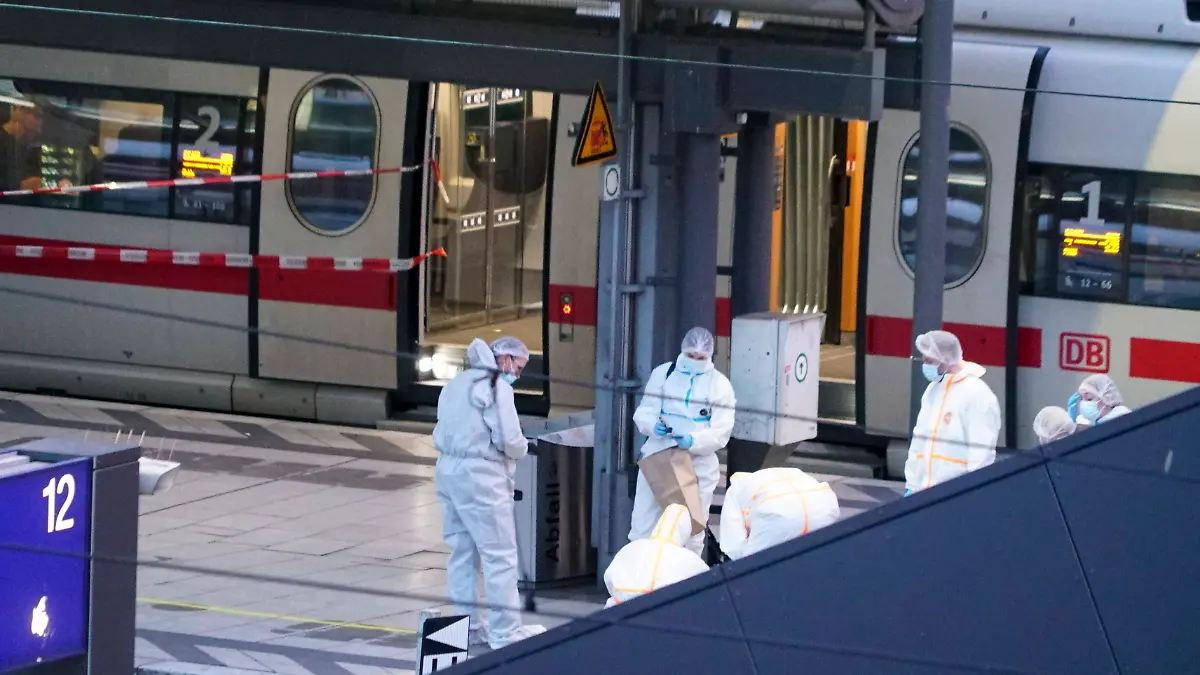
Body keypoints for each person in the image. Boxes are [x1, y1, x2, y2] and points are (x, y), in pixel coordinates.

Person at [432, 336, 545, 650]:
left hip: (447, 470)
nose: (517, 374)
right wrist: (522, 449)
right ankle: (504, 632)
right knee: (500, 557)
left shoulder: (456, 383)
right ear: (505, 358)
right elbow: (508, 438)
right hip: (480, 476)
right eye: (518, 366)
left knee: (462, 553)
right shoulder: (497, 387)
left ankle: (466, 627)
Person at [630, 326, 736, 555]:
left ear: (710, 356)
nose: (694, 361)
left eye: (701, 357)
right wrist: (653, 426)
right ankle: (640, 571)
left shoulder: (719, 385)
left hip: (698, 463)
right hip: (659, 456)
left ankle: (686, 573)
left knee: (693, 532)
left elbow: (721, 431)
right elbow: (644, 411)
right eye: (690, 355)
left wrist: (693, 440)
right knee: (643, 525)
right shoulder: (663, 374)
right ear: (682, 350)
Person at [905, 330, 1002, 496]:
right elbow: (919, 440)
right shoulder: (933, 390)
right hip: (923, 492)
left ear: (946, 359)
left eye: (930, 360)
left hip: (956, 494)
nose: (925, 365)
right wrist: (912, 485)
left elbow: (981, 452)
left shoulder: (976, 393)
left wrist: (973, 492)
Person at [718, 467, 840, 560]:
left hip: (775, 511)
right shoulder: (791, 473)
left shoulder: (735, 491)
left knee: (752, 568)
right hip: (824, 505)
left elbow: (734, 547)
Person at [603, 504, 709, 608]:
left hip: (621, 609)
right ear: (685, 532)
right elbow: (705, 584)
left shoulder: (633, 547)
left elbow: (610, 576)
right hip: (662, 610)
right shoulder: (689, 559)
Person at [0, 103, 45, 192]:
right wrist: (19, 186)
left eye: (34, 133)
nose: (30, 137)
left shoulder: (24, 148)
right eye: (27, 130)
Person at [1067, 374, 1133, 428]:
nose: (1083, 403)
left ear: (1106, 398)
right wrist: (1072, 426)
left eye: (1089, 398)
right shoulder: (1082, 421)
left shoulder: (1124, 418)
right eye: (1081, 398)